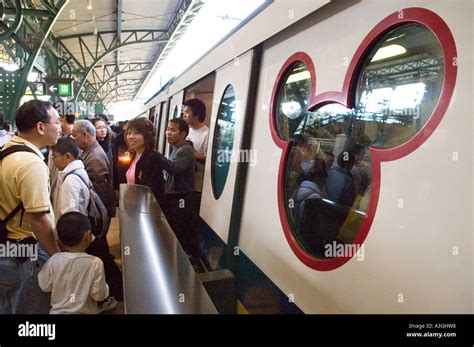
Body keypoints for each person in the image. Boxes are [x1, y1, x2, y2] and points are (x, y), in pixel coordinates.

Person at [0, 100, 61, 314]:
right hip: (24, 256)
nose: (60, 127)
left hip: (6, 249)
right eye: (57, 122)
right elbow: (38, 219)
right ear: (41, 127)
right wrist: (57, 256)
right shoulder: (31, 164)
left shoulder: (7, 150)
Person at [71, 120, 123, 300]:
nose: (73, 139)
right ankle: (115, 287)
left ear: (84, 134)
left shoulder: (94, 157)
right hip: (99, 216)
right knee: (101, 251)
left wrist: (93, 220)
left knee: (100, 252)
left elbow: (98, 195)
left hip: (98, 218)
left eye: (74, 135)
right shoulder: (91, 152)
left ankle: (117, 289)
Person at [38, 212, 117, 314]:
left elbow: (44, 285)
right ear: (88, 236)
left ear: (59, 239)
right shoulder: (94, 263)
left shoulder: (54, 260)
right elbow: (99, 294)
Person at [157, 118, 197, 256]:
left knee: (180, 229)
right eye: (168, 129)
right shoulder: (177, 148)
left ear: (183, 134)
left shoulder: (185, 150)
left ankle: (181, 258)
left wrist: (157, 156)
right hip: (175, 195)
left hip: (182, 197)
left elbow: (174, 168)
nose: (168, 133)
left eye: (173, 130)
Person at [125, 117, 165, 207]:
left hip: (146, 210)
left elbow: (150, 191)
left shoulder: (152, 158)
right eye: (129, 133)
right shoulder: (135, 155)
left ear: (147, 136)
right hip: (135, 206)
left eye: (137, 133)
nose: (131, 136)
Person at [50, 137, 91, 221]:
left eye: (54, 156)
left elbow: (69, 215)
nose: (52, 160)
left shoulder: (71, 180)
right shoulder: (78, 171)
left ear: (67, 156)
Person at [182, 98, 209, 194]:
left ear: (197, 115)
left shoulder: (206, 134)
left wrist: (189, 153)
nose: (184, 115)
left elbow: (208, 157)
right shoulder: (186, 131)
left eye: (187, 112)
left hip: (197, 184)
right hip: (184, 181)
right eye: (183, 112)